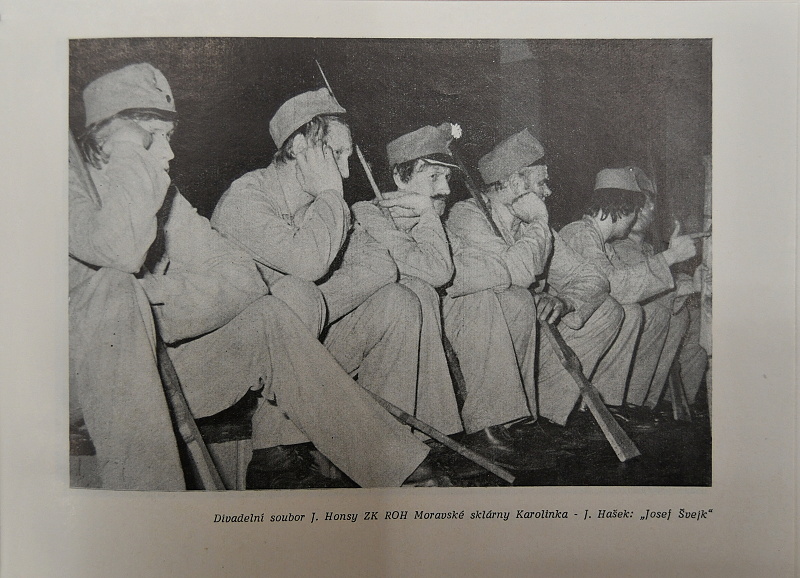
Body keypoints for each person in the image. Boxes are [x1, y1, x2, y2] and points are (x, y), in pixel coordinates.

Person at [70, 64, 440, 490]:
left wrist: (153, 306)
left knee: (268, 316)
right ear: (109, 137)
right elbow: (120, 250)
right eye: (154, 137)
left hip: (169, 367)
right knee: (120, 289)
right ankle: (240, 472)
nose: (170, 154)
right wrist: (130, 155)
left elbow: (242, 278)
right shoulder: (66, 189)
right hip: (81, 386)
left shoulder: (165, 197)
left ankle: (393, 467)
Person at [212, 89, 430, 463]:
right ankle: (274, 452)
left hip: (292, 352)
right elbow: (308, 265)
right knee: (296, 294)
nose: (345, 172)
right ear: (299, 147)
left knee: (399, 301)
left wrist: (319, 306)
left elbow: (381, 268)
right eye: (336, 155)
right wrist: (330, 195)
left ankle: (388, 451)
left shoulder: (321, 204)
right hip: (234, 362)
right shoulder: (245, 198)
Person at [442, 128, 551, 466]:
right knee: (498, 298)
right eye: (541, 183)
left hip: (489, 313)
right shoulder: (467, 215)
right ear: (516, 183)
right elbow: (518, 271)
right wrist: (540, 220)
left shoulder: (521, 224)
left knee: (520, 301)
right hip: (459, 310)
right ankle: (486, 423)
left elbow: (548, 273)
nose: (547, 192)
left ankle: (510, 418)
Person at [349, 123, 462, 436]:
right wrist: (427, 214)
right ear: (400, 177)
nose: (446, 189)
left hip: (401, 329)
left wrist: (428, 217)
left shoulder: (437, 221)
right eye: (434, 177)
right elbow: (439, 272)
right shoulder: (368, 214)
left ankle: (431, 431)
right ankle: (389, 438)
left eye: (447, 178)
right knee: (418, 291)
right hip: (354, 337)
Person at [559, 167, 697, 419]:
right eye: (635, 211)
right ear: (623, 209)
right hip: (568, 331)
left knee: (635, 312)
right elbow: (616, 287)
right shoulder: (580, 234)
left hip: (581, 327)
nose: (635, 221)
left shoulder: (600, 243)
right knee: (630, 311)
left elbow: (628, 282)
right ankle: (593, 408)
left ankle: (613, 405)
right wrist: (670, 256)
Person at [610, 167, 707, 409]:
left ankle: (672, 402)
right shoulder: (615, 246)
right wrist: (678, 276)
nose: (649, 209)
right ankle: (636, 402)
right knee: (669, 314)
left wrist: (689, 284)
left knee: (698, 318)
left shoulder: (647, 248)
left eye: (651, 203)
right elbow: (636, 286)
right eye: (642, 203)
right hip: (624, 322)